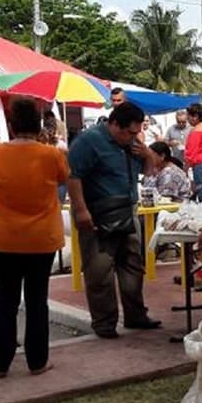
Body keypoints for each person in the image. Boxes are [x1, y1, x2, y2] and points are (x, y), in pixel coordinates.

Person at [0, 99, 69, 377]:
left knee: (6, 300)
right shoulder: (51, 155)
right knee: (36, 300)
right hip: (42, 238)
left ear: (11, 124)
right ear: (39, 125)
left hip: (5, 237)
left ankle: (0, 363)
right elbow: (63, 179)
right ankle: (37, 361)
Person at [67, 101, 163, 339]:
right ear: (114, 125)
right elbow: (73, 176)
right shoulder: (88, 141)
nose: (132, 136)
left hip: (128, 209)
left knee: (132, 264)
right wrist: (80, 210)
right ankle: (104, 322)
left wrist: (147, 153)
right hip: (98, 212)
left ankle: (136, 314)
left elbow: (150, 170)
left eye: (137, 132)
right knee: (99, 270)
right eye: (129, 132)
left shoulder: (133, 143)